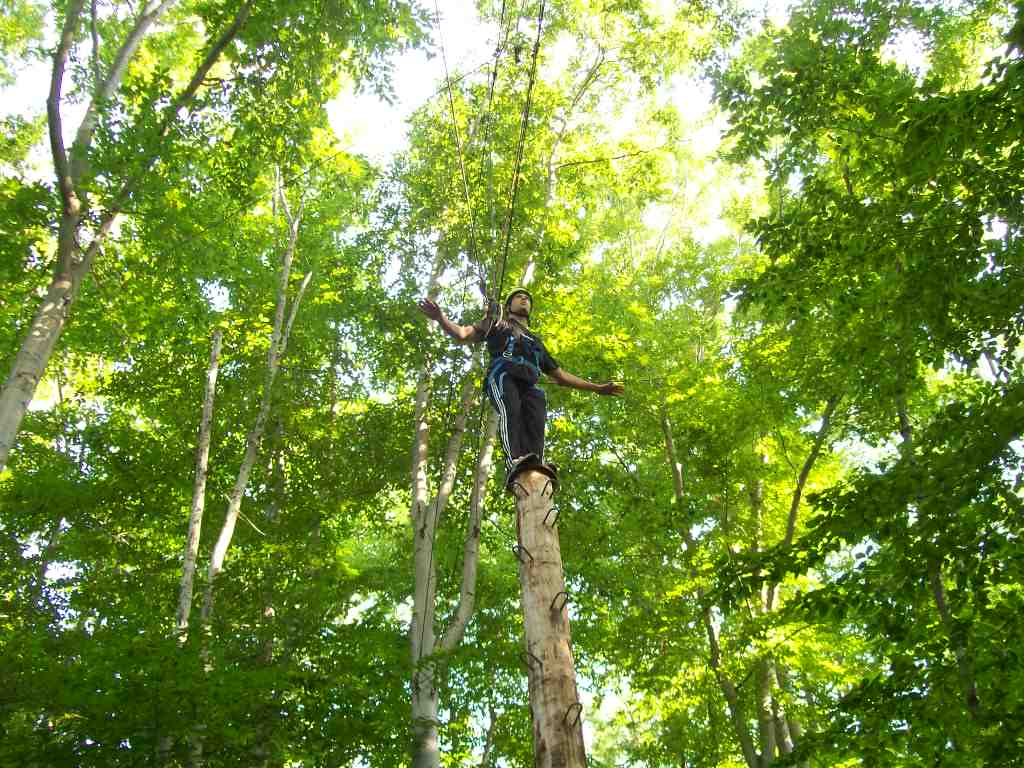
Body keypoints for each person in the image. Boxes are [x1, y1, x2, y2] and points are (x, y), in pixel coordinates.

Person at [418, 288, 624, 488]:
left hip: (529, 384)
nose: (524, 299)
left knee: (537, 410)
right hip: (504, 375)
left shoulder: (536, 342)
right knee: (511, 410)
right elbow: (462, 334)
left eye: (527, 298)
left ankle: (536, 464)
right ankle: (515, 460)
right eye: (518, 297)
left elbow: (560, 376)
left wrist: (597, 388)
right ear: (508, 307)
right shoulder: (496, 324)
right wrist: (440, 318)